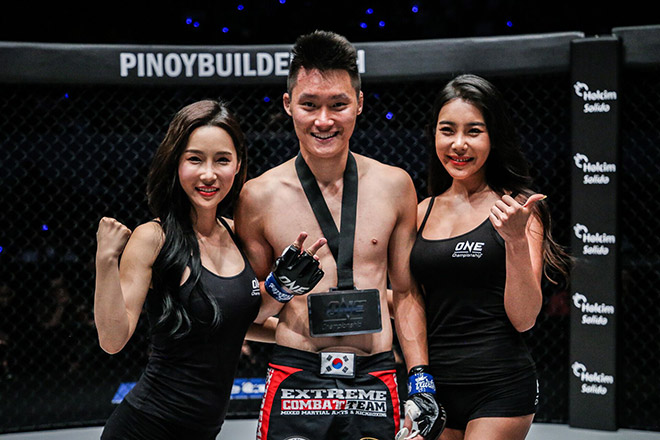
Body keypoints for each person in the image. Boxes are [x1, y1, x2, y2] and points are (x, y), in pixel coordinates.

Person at [235, 30, 444, 440]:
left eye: (338, 104)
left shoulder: (395, 186)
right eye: (309, 104)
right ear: (288, 104)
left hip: (375, 377)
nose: (324, 120)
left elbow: (405, 292)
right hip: (297, 376)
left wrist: (421, 378)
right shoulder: (258, 197)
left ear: (359, 103)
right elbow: (246, 315)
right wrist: (279, 287)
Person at [410, 74, 571, 440]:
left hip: (500, 386)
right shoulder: (420, 212)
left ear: (493, 137)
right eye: (447, 130)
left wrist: (515, 240)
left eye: (474, 131)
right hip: (435, 389)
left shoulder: (518, 209)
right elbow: (411, 300)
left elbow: (525, 318)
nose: (459, 144)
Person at [95, 99, 263, 439]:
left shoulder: (238, 235)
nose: (208, 174)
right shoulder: (153, 238)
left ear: (238, 165)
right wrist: (105, 260)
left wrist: (307, 335)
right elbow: (113, 341)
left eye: (222, 160)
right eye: (195, 159)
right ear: (175, 163)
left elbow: (234, 322)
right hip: (145, 429)